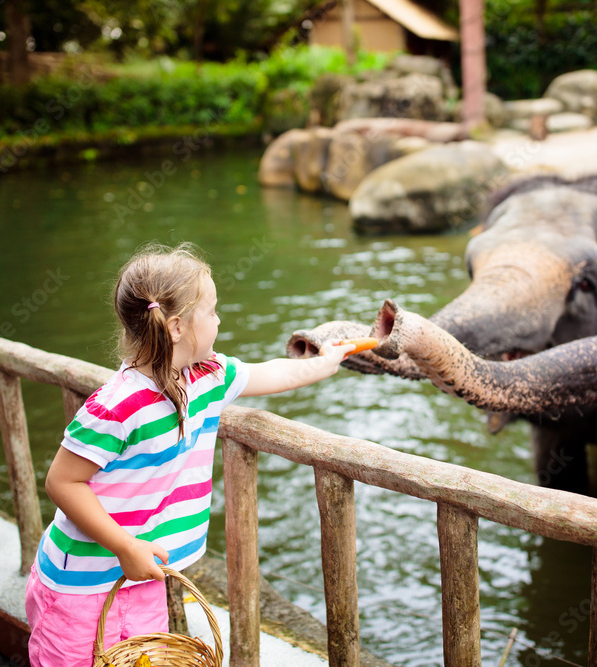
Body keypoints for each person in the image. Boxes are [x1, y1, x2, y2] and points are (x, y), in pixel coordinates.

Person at [25, 243, 353, 666]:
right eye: (213, 311)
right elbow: (62, 481)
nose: (219, 320)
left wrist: (324, 363)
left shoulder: (207, 376)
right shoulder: (117, 404)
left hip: (142, 575)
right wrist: (125, 546)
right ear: (177, 326)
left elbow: (269, 371)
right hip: (82, 582)